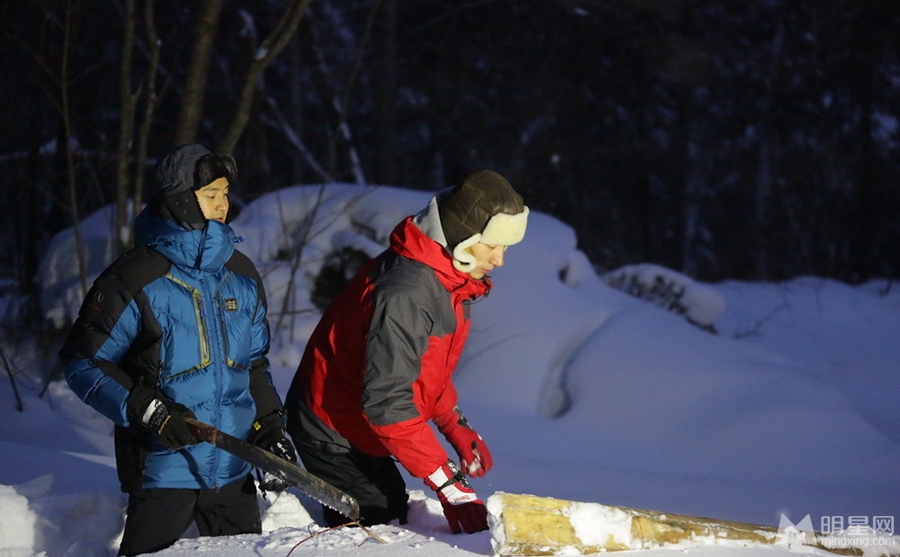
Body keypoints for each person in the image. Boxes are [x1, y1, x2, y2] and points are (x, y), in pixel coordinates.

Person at [59, 143, 297, 556]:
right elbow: (83, 363)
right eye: (210, 195)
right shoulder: (135, 276)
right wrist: (152, 411)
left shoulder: (241, 273)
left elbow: (254, 365)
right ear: (181, 201)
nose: (223, 204)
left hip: (232, 469)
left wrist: (269, 427)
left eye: (225, 193)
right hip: (162, 467)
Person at [284, 170, 529, 534]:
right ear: (461, 238)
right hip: (331, 425)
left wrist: (453, 424)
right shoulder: (407, 293)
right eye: (491, 245)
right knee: (379, 521)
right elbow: (387, 403)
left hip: (362, 417)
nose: (499, 260)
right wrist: (450, 486)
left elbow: (426, 373)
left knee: (391, 510)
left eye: (505, 248)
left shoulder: (450, 282)